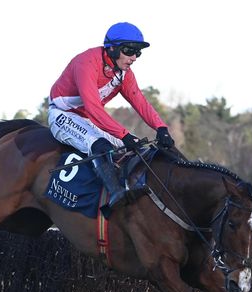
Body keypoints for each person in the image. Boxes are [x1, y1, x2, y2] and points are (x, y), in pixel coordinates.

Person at [48, 22, 175, 211]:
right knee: (101, 145)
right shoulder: (86, 63)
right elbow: (93, 108)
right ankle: (115, 195)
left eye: (138, 52)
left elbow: (139, 101)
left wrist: (161, 127)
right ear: (112, 48)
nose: (134, 57)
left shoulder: (124, 73)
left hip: (88, 119)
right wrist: (124, 134)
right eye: (129, 51)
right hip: (62, 114)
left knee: (136, 147)